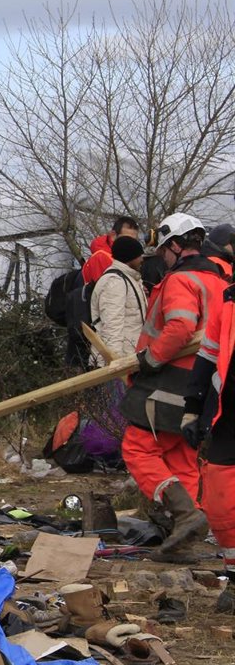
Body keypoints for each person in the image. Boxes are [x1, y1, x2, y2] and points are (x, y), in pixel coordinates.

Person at [120, 212, 229, 560]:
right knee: (181, 455)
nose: (162, 257)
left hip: (171, 378)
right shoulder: (220, 280)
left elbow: (181, 327)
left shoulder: (181, 280)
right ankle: (186, 538)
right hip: (205, 382)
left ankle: (185, 515)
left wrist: (150, 359)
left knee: (137, 448)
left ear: (177, 245)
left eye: (165, 249)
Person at [184, 277, 235, 612]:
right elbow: (208, 355)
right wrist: (192, 408)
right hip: (229, 416)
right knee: (220, 499)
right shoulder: (228, 300)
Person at [89, 236, 147, 366]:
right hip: (119, 363)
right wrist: (116, 363)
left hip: (130, 357)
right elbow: (112, 326)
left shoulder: (129, 279)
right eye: (139, 255)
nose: (142, 259)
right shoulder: (115, 282)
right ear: (129, 257)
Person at [82, 215, 140, 285]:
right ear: (113, 235)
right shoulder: (101, 258)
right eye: (126, 239)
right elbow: (110, 290)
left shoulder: (124, 257)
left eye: (134, 240)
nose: (131, 244)